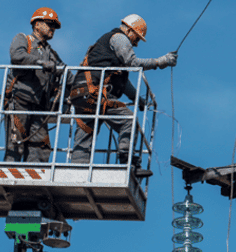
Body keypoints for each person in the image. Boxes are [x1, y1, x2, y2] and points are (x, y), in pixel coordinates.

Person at [68, 14, 177, 175]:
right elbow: (133, 63)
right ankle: (128, 162)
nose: (136, 43)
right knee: (128, 121)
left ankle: (77, 170)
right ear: (129, 30)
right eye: (137, 38)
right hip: (94, 93)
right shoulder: (119, 38)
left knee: (86, 131)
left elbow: (122, 83)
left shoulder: (109, 51)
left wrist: (137, 99)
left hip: (81, 94)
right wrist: (160, 62)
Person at [4, 7, 65, 162]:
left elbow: (65, 73)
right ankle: (11, 181)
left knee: (41, 149)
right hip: (19, 102)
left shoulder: (51, 53)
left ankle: (34, 183)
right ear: (37, 24)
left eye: (54, 26)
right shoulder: (24, 39)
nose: (52, 28)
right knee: (16, 145)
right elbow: (17, 56)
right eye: (49, 24)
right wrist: (40, 62)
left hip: (38, 107)